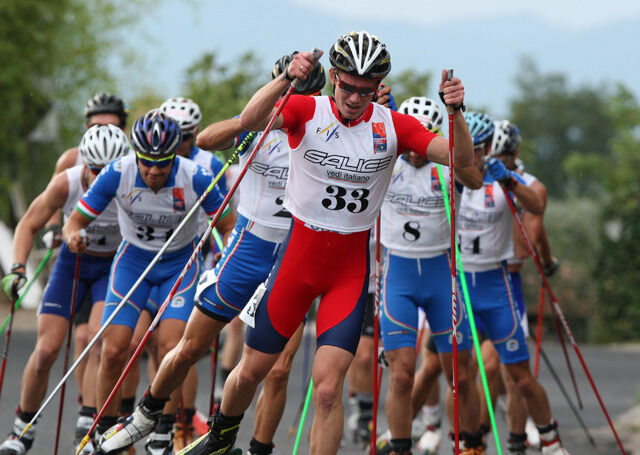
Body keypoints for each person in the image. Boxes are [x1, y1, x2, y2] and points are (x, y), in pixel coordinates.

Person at [179, 30, 473, 455]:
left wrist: (456, 112)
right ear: (333, 76)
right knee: (250, 373)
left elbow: (460, 161)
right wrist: (286, 81)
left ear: (378, 87)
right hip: (296, 264)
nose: (355, 97)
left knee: (328, 391)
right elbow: (249, 121)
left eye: (366, 90)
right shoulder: (305, 109)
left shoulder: (392, 126)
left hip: (348, 276)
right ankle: (223, 438)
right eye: (348, 86)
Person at [93, 53, 326, 455]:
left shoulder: (328, 133)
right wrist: (256, 116)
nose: (297, 103)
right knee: (190, 345)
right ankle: (147, 414)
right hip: (249, 245)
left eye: (306, 95)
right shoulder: (260, 128)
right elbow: (204, 140)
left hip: (294, 253)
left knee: (278, 368)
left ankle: (255, 448)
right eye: (290, 93)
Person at [63, 110, 235, 455]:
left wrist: (225, 258)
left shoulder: (196, 176)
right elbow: (75, 221)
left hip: (179, 265)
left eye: (163, 163)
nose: (154, 171)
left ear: (176, 156)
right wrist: (73, 237)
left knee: (171, 348)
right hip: (133, 263)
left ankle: (162, 432)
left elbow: (228, 225)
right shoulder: (117, 173)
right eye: (147, 163)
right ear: (136, 156)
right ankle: (105, 432)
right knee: (114, 350)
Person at [0, 125, 130, 455]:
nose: (102, 177)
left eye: (109, 169)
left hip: (111, 268)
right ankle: (21, 430)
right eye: (96, 169)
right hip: (71, 266)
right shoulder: (67, 182)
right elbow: (28, 223)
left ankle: (87, 427)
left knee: (96, 345)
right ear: (84, 163)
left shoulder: (130, 184)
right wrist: (16, 268)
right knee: (45, 351)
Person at [373, 98, 485, 455]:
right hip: (398, 276)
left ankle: (469, 445)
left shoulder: (444, 164)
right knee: (402, 375)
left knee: (461, 376)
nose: (417, 151)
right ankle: (400, 446)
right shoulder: (386, 162)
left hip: (440, 274)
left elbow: (474, 177)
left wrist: (456, 115)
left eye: (425, 138)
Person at [457, 112, 569, 455]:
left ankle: (550, 442)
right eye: (467, 148)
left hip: (498, 285)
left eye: (478, 149)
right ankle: (468, 441)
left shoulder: (501, 175)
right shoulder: (450, 175)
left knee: (519, 375)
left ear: (488, 148)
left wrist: (510, 181)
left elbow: (537, 205)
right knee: (461, 378)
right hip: (460, 286)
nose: (472, 154)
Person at [158, 96, 230, 451]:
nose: (177, 143)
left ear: (195, 133)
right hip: (153, 256)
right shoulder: (154, 160)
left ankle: (183, 424)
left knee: (180, 344)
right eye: (171, 134)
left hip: (197, 256)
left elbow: (223, 216)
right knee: (153, 344)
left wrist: (220, 257)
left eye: (184, 135)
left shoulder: (208, 162)